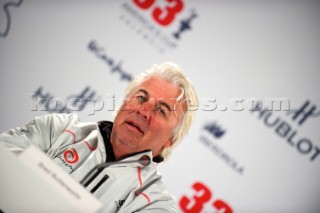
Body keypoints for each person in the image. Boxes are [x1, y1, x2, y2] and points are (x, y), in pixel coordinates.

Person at [0, 62, 198, 212]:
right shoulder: (58, 129)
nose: (144, 111)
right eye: (141, 98)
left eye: (160, 110)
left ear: (170, 140)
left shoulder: (156, 204)